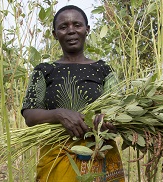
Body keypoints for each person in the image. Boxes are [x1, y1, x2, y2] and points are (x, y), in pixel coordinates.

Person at [21, 5, 125, 182]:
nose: (71, 30)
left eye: (77, 25)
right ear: (54, 34)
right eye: (63, 27)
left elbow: (121, 109)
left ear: (87, 30)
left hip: (101, 154)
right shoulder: (44, 70)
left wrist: (108, 118)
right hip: (57, 157)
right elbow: (30, 115)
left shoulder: (103, 69)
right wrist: (58, 114)